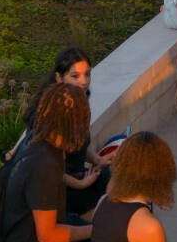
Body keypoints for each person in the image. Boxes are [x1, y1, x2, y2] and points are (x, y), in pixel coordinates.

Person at [0, 84, 94, 242]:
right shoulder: (44, 164)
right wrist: (95, 230)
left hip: (35, 236)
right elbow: (48, 235)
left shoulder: (41, 142)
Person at [22, 48, 112, 214]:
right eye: (75, 76)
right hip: (58, 188)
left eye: (87, 74)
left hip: (79, 177)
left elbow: (81, 142)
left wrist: (96, 159)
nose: (84, 81)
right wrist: (81, 184)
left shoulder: (80, 99)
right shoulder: (48, 115)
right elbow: (47, 167)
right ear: (59, 77)